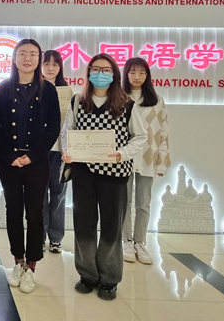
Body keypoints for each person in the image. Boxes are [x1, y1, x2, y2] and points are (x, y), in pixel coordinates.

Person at [61, 53, 147, 301]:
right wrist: (68, 151)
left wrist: (122, 154)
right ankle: (87, 274)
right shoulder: (78, 101)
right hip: (84, 173)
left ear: (114, 74)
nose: (101, 74)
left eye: (106, 70)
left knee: (111, 227)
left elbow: (140, 137)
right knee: (83, 225)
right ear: (88, 72)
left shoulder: (126, 103)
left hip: (115, 174)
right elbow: (67, 131)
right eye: (96, 69)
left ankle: (109, 279)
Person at [0, 39, 60, 294]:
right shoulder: (3, 88)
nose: (27, 58)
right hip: (9, 162)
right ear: (14, 58)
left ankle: (31, 266)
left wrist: (33, 155)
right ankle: (17, 262)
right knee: (13, 211)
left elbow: (53, 126)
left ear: (39, 59)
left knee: (35, 213)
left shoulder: (48, 90)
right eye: (22, 53)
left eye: (33, 54)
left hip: (37, 162)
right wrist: (9, 155)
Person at [121, 57, 170, 265]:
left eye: (142, 73)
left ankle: (140, 242)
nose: (137, 77)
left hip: (148, 157)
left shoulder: (157, 100)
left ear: (147, 75)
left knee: (143, 203)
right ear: (126, 74)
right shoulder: (119, 97)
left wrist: (162, 161)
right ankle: (126, 241)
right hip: (124, 157)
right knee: (124, 202)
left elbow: (163, 132)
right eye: (132, 72)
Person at [41, 50, 71, 253]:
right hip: (40, 151)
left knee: (59, 195)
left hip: (61, 151)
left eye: (55, 64)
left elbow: (72, 123)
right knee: (39, 196)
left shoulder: (68, 91)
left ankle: (56, 238)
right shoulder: (35, 89)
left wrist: (70, 150)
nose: (50, 68)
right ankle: (39, 236)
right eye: (46, 64)